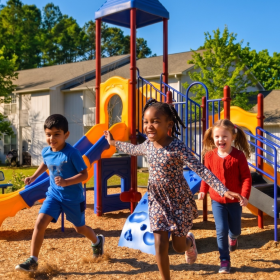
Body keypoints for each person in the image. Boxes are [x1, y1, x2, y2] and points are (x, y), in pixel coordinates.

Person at [104, 99, 243, 280]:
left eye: (155, 121)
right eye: (146, 122)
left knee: (178, 246)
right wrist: (113, 142)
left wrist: (221, 189)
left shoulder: (177, 147)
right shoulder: (147, 144)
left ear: (169, 124)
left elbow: (200, 169)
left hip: (178, 201)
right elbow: (133, 148)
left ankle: (189, 242)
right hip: (157, 199)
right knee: (160, 243)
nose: (149, 126)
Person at [15, 114, 104, 272]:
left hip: (73, 198)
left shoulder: (72, 153)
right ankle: (33, 260)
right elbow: (45, 162)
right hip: (53, 196)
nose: (52, 138)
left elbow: (85, 174)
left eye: (57, 134)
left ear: (66, 135)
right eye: (49, 134)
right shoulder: (46, 151)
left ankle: (97, 241)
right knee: (40, 222)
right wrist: (34, 177)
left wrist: (66, 182)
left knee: (80, 228)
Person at [198, 119, 252, 274]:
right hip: (217, 200)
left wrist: (244, 195)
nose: (220, 140)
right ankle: (224, 260)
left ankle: (233, 238)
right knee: (221, 230)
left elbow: (247, 178)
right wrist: (203, 190)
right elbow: (206, 176)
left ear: (232, 137)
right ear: (213, 138)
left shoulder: (238, 156)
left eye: (224, 136)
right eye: (217, 137)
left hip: (235, 201)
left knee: (235, 230)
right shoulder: (209, 156)